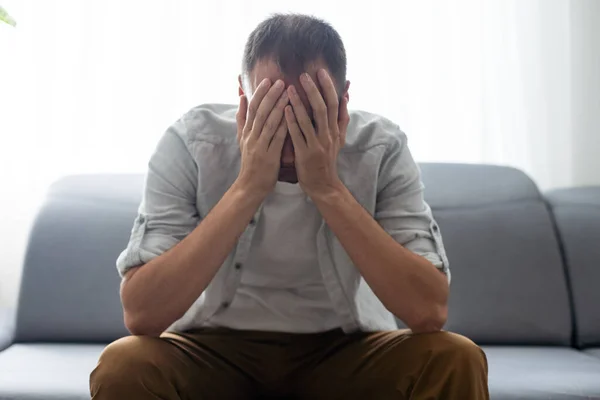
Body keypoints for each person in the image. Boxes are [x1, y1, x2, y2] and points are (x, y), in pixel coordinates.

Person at [90, 13, 489, 399]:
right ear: (243, 97)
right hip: (213, 347)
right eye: (271, 114)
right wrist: (248, 186)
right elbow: (142, 315)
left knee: (455, 358)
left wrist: (328, 188)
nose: (289, 141)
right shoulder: (193, 142)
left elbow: (428, 311)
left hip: (345, 349)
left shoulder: (380, 147)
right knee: (125, 363)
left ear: (342, 101)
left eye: (309, 115)